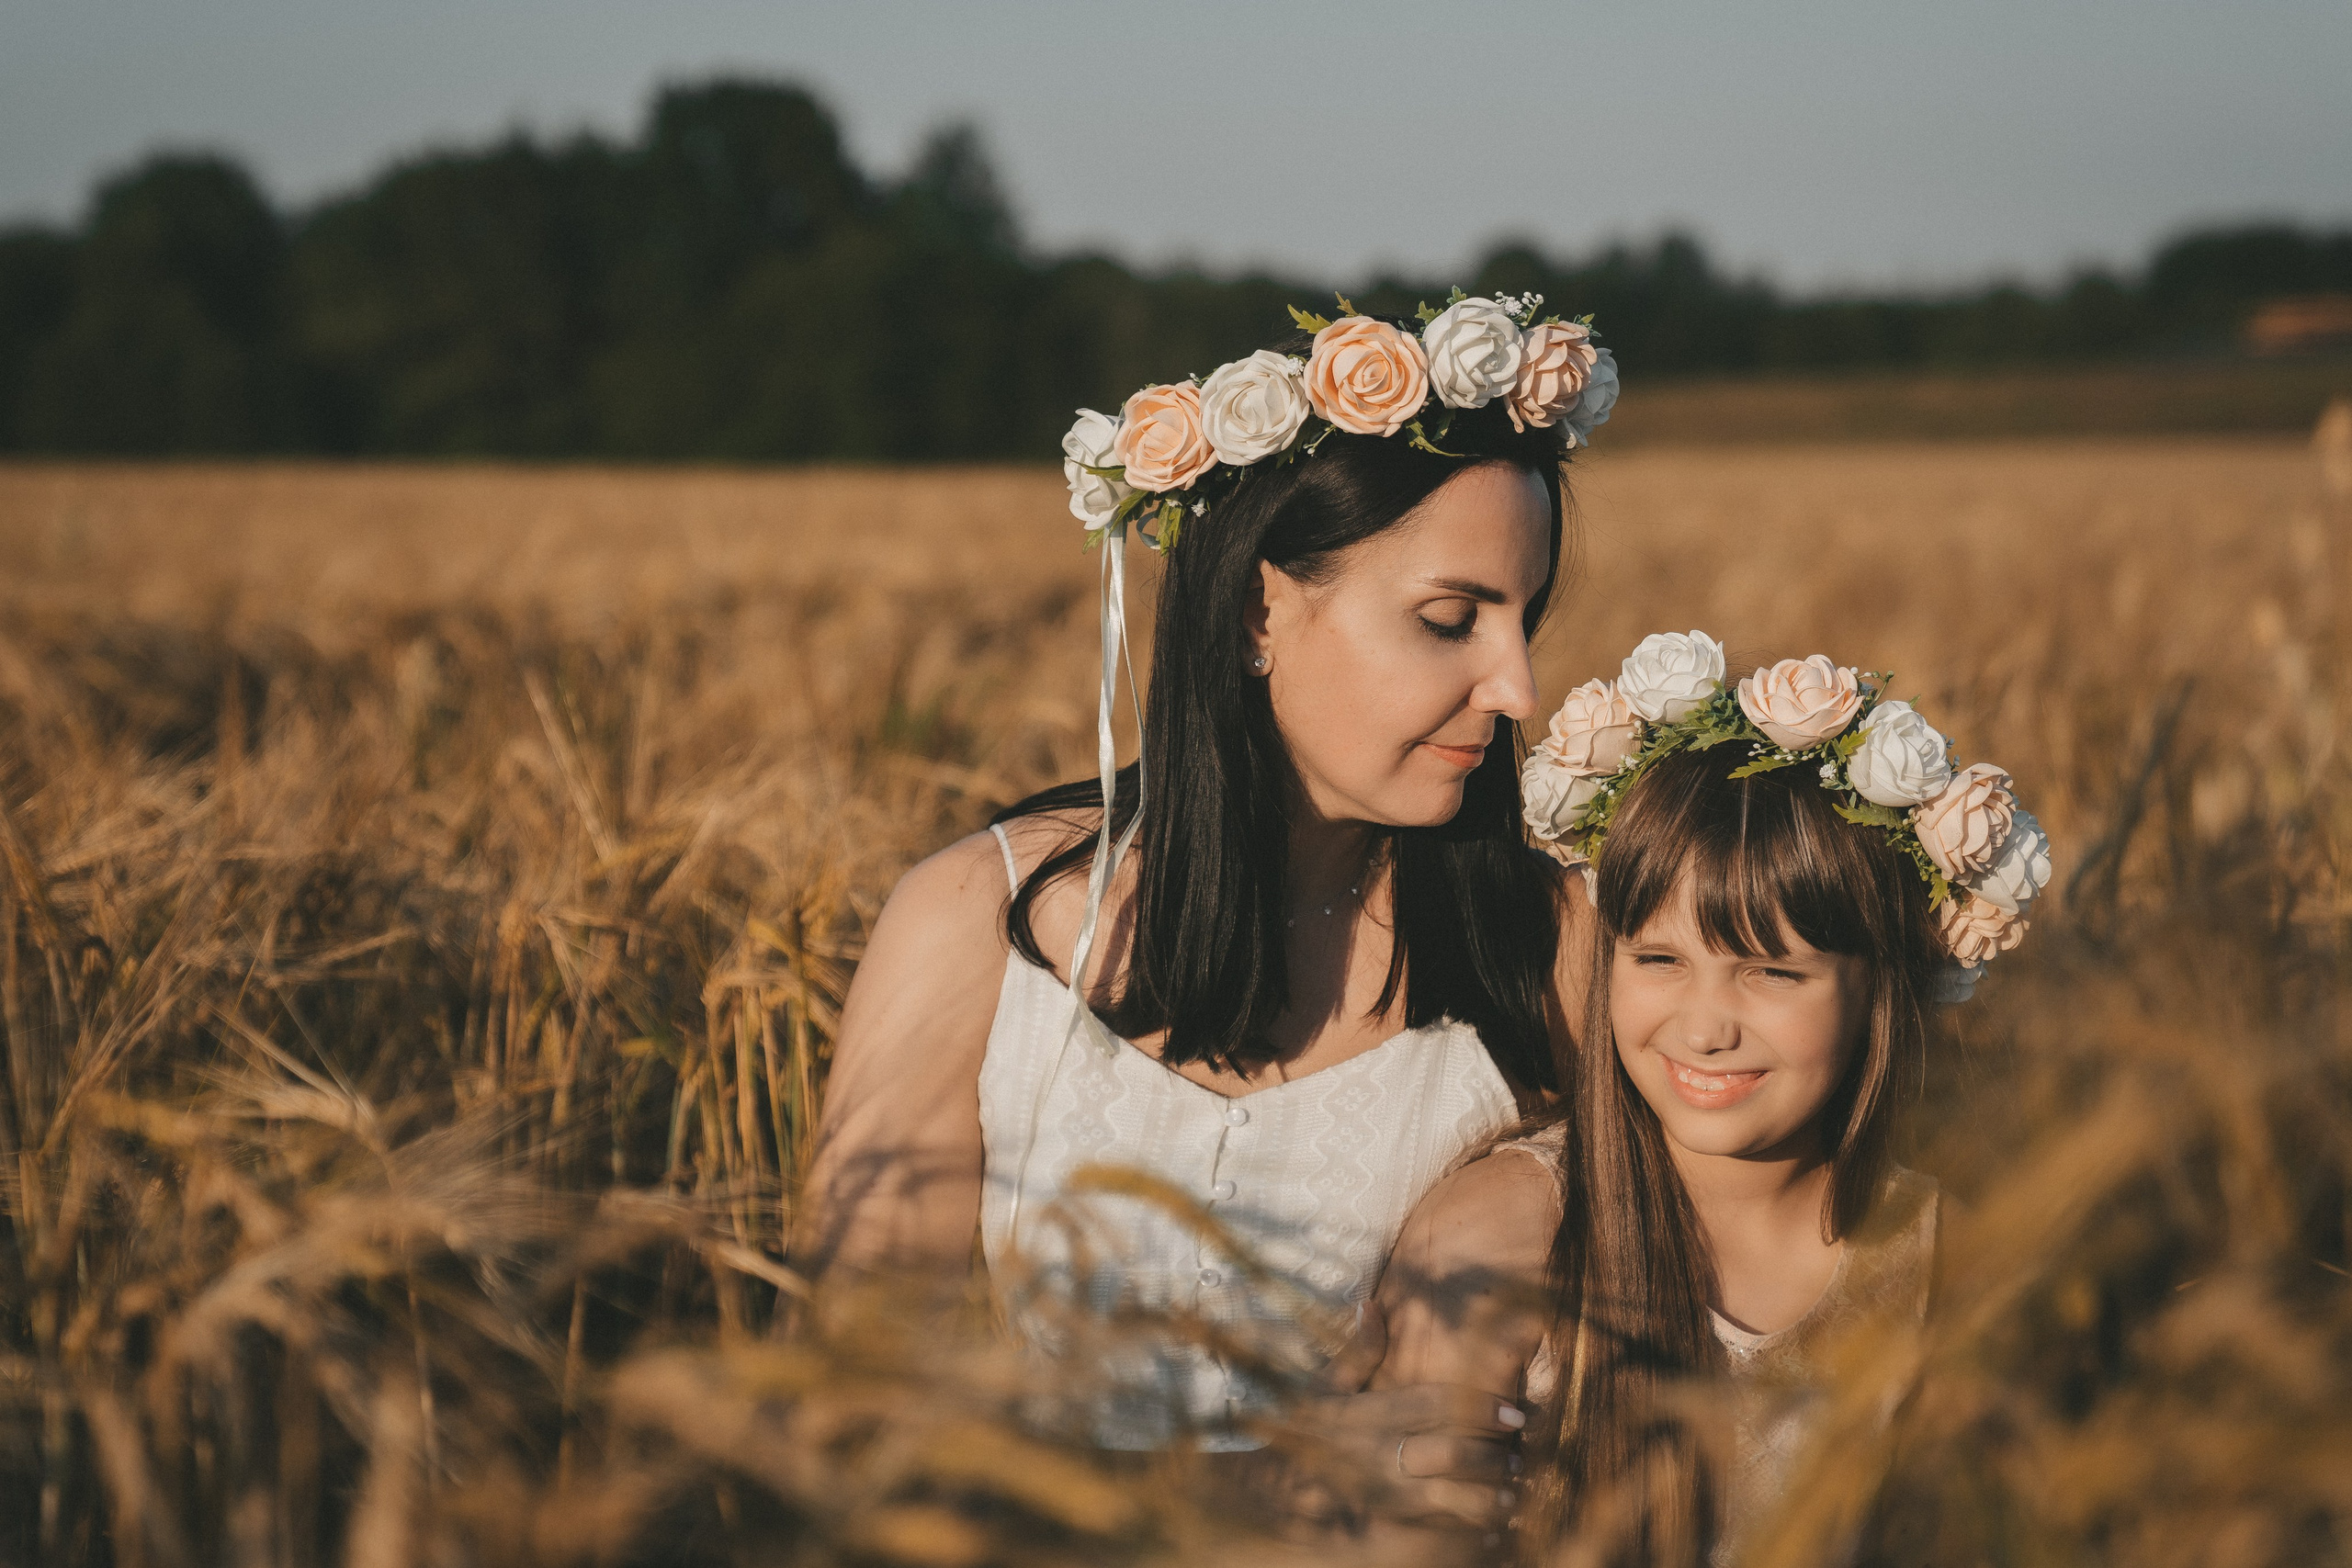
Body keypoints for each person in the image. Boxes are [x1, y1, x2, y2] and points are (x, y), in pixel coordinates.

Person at [795, 295, 1619, 1521]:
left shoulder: (1547, 941)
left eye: (1524, 618)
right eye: (1450, 619)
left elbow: (1773, 1249)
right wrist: (1278, 1496)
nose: (1517, 686)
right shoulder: (984, 923)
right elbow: (838, 1430)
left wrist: (1532, 1187)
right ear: (1257, 613)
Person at [1363, 634, 2052, 1562]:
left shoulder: (1946, 1260)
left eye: (1771, 973)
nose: (1705, 1026)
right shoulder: (1504, 1235)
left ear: (1880, 988)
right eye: (1658, 960)